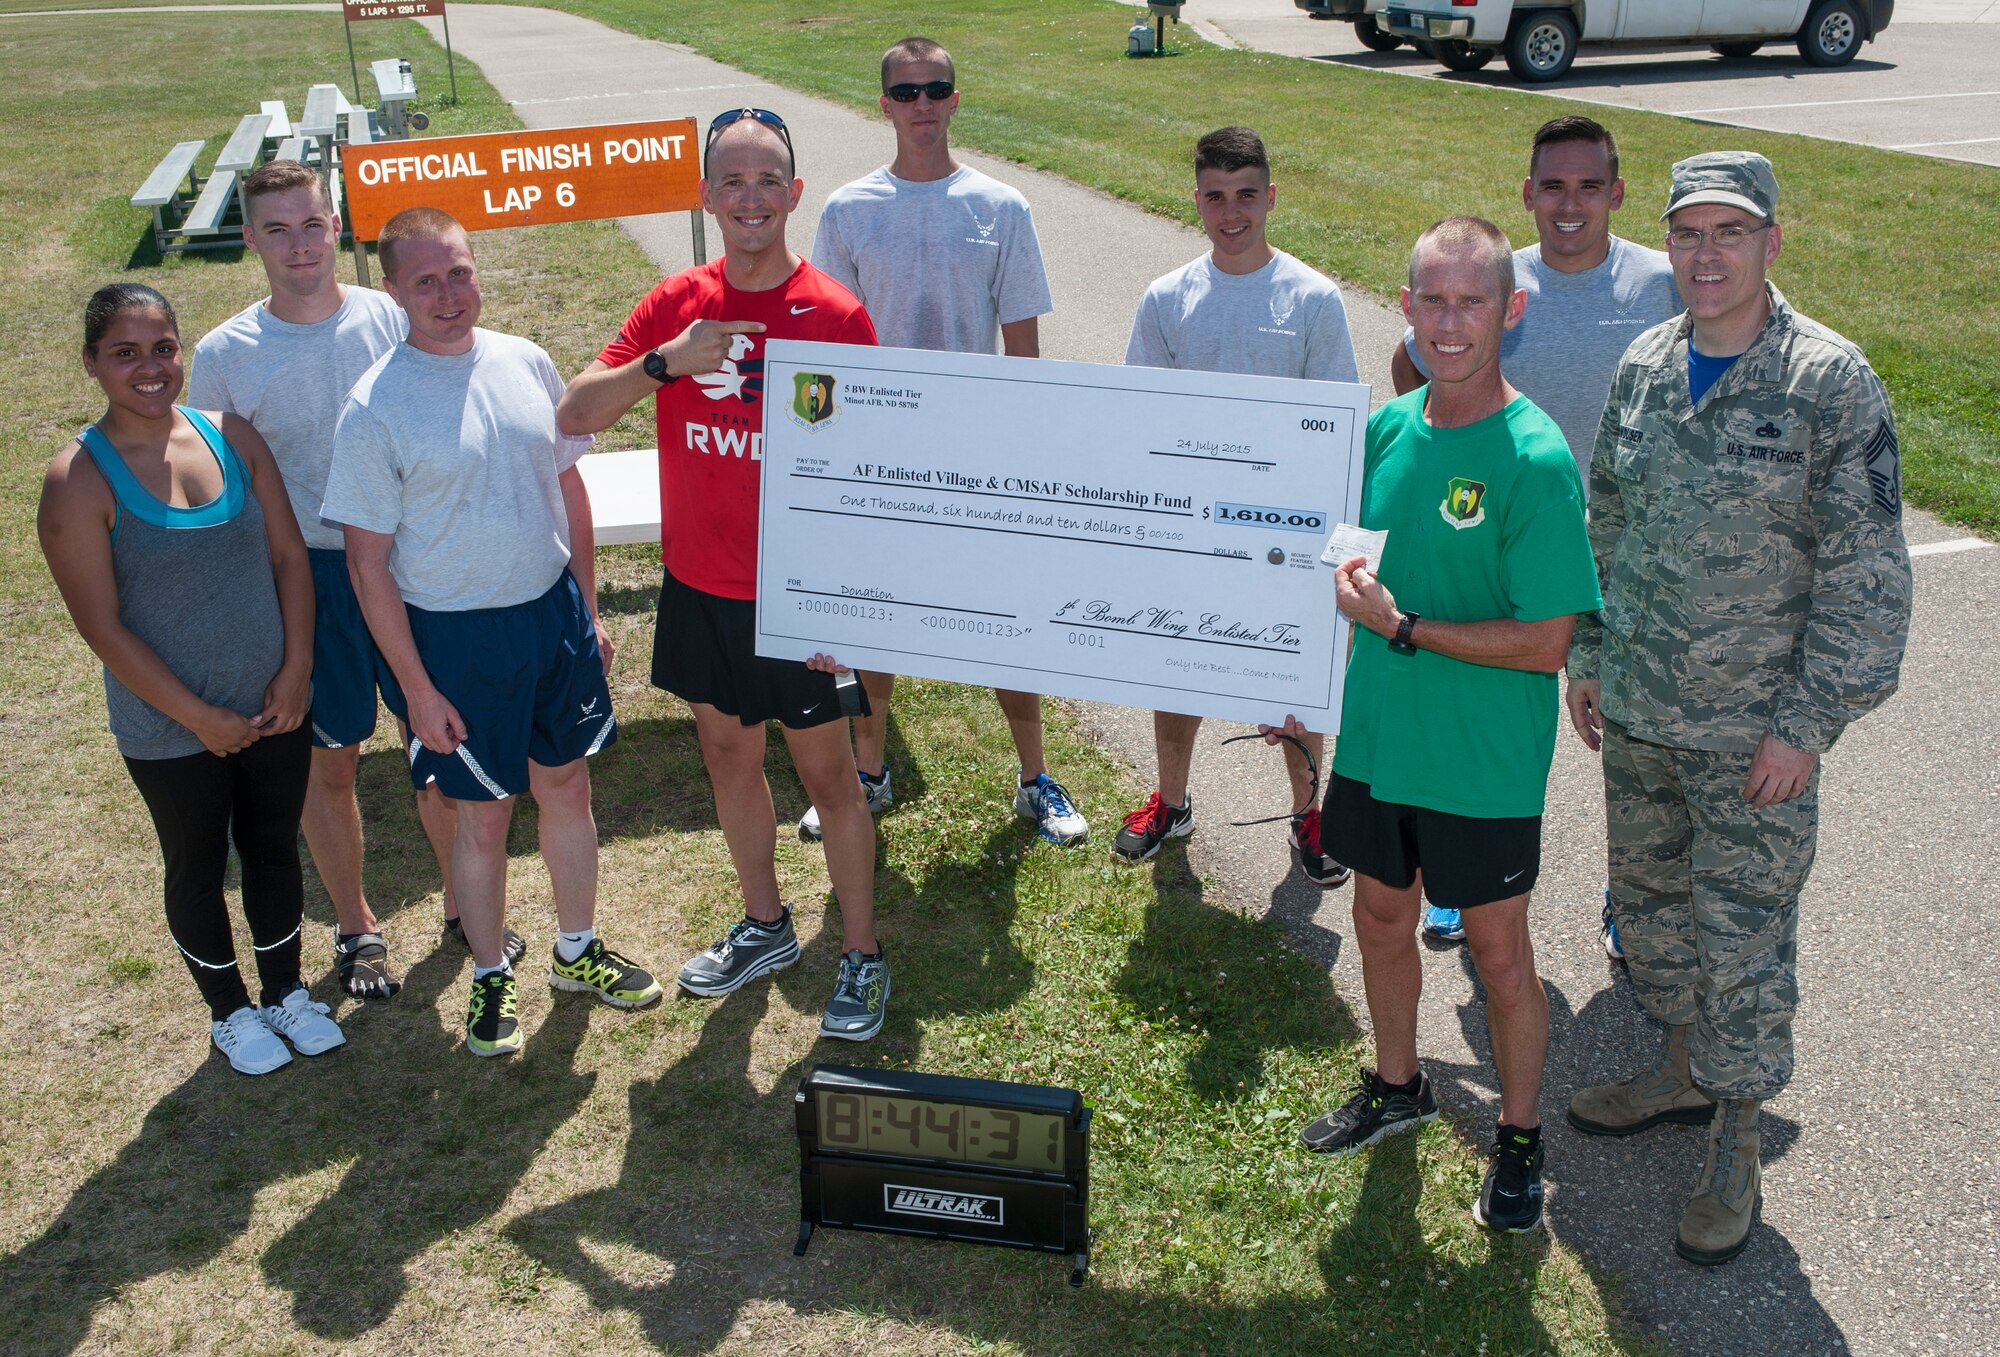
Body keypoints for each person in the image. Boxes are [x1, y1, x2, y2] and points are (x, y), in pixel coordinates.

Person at [1563, 152, 1911, 1265]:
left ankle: (1736, 1134)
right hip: (1644, 714)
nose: (1704, 255)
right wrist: (1586, 650)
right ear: (1664, 243)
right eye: (1686, 233)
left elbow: (1868, 575)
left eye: (1728, 233)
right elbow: (1602, 515)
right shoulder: (1646, 364)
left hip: (1754, 739)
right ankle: (1678, 1067)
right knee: (1652, 912)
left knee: (1743, 939)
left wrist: (1805, 724)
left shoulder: (1827, 381)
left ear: (1770, 242)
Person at [1292, 218, 1602, 1238]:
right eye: (1432, 299)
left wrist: (1406, 626)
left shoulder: (1533, 457)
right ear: (1407, 307)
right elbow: (1346, 558)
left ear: (1510, 310)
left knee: (1498, 956)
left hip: (1479, 764)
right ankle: (1398, 1083)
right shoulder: (1388, 427)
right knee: (1378, 920)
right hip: (1380, 743)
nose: (1450, 322)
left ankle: (1518, 1138)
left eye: (1472, 301)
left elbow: (1548, 639)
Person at [556, 108, 891, 1042]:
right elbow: (574, 407)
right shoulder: (676, 304)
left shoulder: (834, 315)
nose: (749, 198)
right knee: (729, 758)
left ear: (794, 195)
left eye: (767, 180)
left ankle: (861, 954)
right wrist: (669, 362)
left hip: (798, 596)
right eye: (731, 181)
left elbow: (869, 473)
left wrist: (847, 608)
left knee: (830, 780)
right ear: (707, 197)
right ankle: (767, 925)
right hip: (700, 587)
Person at [323, 207, 661, 1058]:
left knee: (570, 789)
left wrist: (586, 609)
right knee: (482, 820)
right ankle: (488, 973)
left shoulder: (526, 362)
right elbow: (368, 567)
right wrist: (417, 687)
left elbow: (569, 490)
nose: (448, 295)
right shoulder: (375, 406)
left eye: (460, 272)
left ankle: (577, 952)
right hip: (456, 642)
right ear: (393, 290)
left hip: (550, 618)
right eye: (426, 280)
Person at [189, 159, 489, 1003]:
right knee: (333, 758)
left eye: (313, 224)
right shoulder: (223, 358)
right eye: (277, 230)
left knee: (437, 737)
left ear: (338, 226)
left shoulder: (392, 316)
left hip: (409, 559)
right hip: (312, 576)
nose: (299, 246)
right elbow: (217, 491)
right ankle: (358, 925)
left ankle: (467, 903)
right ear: (248, 239)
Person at [1389, 115, 1681, 953]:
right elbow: (1415, 364)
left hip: (1629, 557)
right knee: (1491, 708)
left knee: (1629, 742)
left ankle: (1627, 890)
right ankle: (1460, 879)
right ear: (1527, 193)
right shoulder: (1488, 279)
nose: (1570, 202)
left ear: (1617, 193)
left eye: (1590, 185)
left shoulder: (1662, 284)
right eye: (1552, 185)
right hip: (1506, 545)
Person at [38, 284, 344, 1075]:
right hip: (170, 728)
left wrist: (297, 670)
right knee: (198, 866)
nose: (150, 367)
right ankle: (230, 1011)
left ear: (184, 351)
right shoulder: (78, 478)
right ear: (92, 364)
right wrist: (199, 717)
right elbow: (101, 627)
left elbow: (288, 556)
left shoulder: (232, 436)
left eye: (164, 347)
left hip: (274, 705)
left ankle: (285, 991)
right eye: (126, 352)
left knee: (275, 851)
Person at [805, 35, 1087, 848]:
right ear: (884, 104)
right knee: (875, 618)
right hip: (880, 454)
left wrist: (1024, 446)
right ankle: (869, 771)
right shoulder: (849, 210)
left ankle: (1035, 778)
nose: (922, 104)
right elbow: (831, 350)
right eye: (906, 91)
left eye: (936, 89)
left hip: (980, 453)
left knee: (1006, 619)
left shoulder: (1000, 207)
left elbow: (1023, 347)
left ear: (957, 99)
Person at [1114, 125, 1359, 886]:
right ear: (1196, 201)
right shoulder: (1168, 297)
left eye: (1246, 195)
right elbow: (1140, 417)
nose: (1231, 213)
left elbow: (1338, 432)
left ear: (1270, 197)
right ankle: (1174, 799)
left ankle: (1307, 813)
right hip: (1194, 529)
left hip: (1286, 534)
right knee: (1177, 669)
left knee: (1295, 689)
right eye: (1215, 197)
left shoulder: (1314, 298)